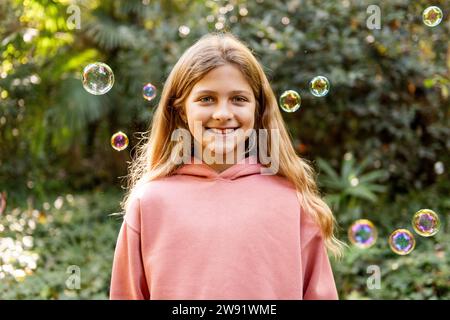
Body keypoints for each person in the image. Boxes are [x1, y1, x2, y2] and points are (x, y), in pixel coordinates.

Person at [109, 32, 344, 300]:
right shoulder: (150, 202)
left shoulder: (293, 200)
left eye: (238, 99)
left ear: (258, 108)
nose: (222, 114)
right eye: (206, 99)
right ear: (182, 110)